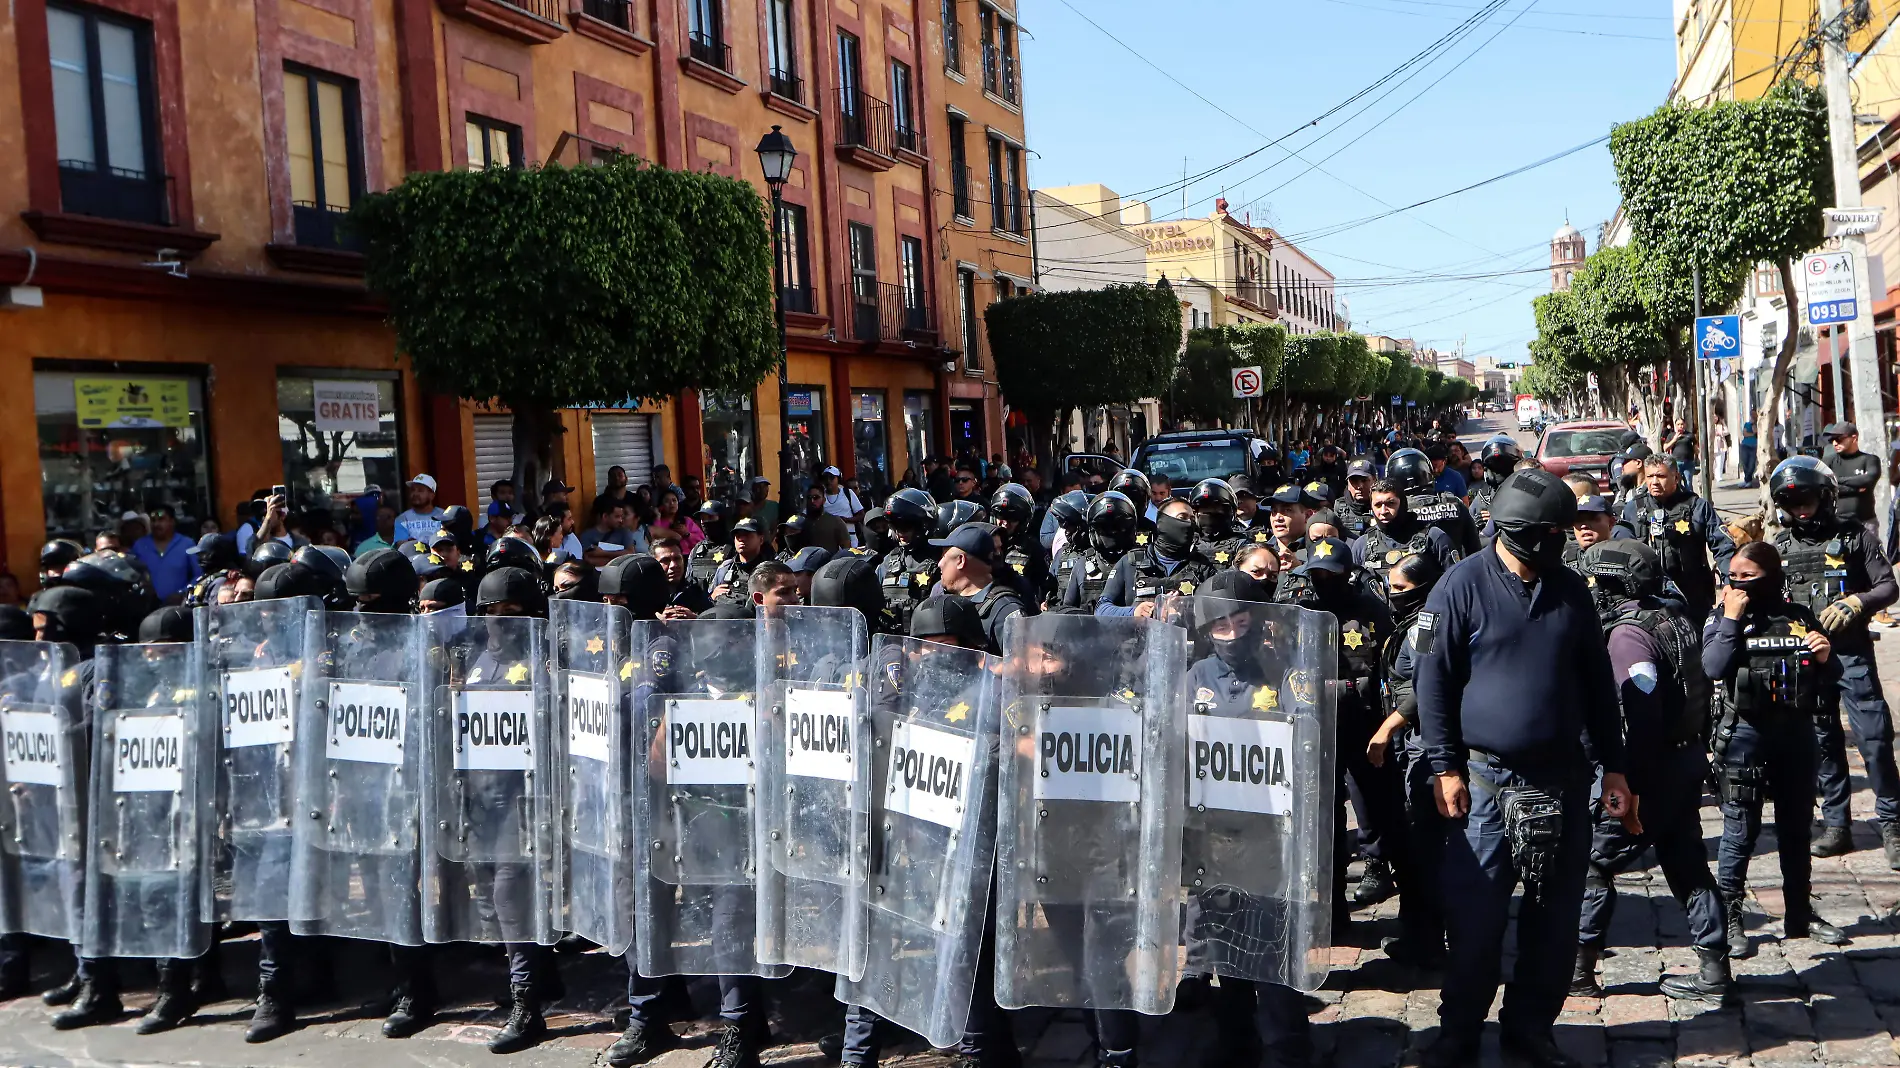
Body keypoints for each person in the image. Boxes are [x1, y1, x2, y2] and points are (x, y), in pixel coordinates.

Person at [1415, 468, 1634, 1068]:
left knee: (1555, 919)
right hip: (1485, 783)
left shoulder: (1571, 590)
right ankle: (1459, 1032)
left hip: (1564, 779)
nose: (1564, 541)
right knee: (1478, 917)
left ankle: (1531, 1029)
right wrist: (1445, 768)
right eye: (1555, 532)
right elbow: (1432, 684)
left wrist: (1614, 768)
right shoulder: (1458, 588)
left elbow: (1597, 685)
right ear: (1523, 533)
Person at [1570, 541, 1728, 1003]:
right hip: (1684, 761)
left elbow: (1641, 714)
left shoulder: (1627, 635)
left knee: (1595, 864)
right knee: (1688, 866)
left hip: (1652, 768)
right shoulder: (1673, 615)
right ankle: (1715, 971)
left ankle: (1578, 972)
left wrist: (1629, 784)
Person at [1705, 541, 1850, 958]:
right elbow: (1713, 666)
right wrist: (1732, 618)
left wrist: (1826, 657)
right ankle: (1730, 918)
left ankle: (1799, 913)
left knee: (1795, 828)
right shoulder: (1723, 617)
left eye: (1748, 576)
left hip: (1795, 735)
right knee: (1740, 831)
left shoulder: (1799, 617)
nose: (1738, 582)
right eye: (1733, 575)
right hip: (1746, 737)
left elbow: (1832, 675)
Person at [1767, 456, 1900, 864]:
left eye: (1807, 499)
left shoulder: (1855, 536)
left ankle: (1893, 824)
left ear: (1825, 497)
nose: (1801, 509)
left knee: (1874, 739)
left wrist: (1857, 602)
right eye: (1791, 503)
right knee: (1823, 743)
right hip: (1805, 659)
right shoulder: (1779, 546)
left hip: (1851, 654)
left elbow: (1887, 586)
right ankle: (1837, 824)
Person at [1282, 536, 1409, 921]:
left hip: (1366, 726)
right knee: (1323, 817)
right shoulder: (1299, 610)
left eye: (1330, 574)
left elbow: (1389, 661)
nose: (1322, 580)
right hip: (1315, 727)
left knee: (1381, 809)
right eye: (1315, 574)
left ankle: (1395, 886)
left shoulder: (1371, 608)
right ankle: (1331, 907)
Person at [1620, 456, 1735, 622]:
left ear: (1676, 477)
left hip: (1693, 594)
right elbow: (1621, 549)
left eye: (1661, 476)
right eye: (1650, 476)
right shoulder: (1633, 509)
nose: (1654, 482)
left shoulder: (1697, 506)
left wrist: (1729, 582)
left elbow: (1723, 547)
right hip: (1649, 596)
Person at [1095, 496, 1213, 618]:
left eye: (1192, 519)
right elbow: (1101, 609)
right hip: (1140, 635)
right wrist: (1134, 613)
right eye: (1182, 518)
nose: (1189, 523)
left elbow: (1220, 607)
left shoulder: (1202, 566)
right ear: (1163, 523)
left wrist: (1188, 610)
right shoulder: (1131, 562)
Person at [928, 522, 1027, 654]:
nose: (939, 564)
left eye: (944, 556)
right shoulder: (945, 602)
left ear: (960, 561)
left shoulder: (1006, 610)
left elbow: (1021, 664)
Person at [1385, 448, 1480, 558]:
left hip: (1412, 572)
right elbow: (1475, 549)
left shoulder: (1393, 511)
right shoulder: (1454, 503)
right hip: (1454, 572)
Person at [1351, 479, 1457, 577]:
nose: (1383, 511)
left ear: (1402, 503)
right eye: (1378, 505)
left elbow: (1454, 582)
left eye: (1390, 503)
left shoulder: (1433, 538)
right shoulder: (1362, 545)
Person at [1061, 490, 1139, 611]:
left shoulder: (1142, 563)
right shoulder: (1082, 565)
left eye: (1118, 527)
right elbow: (1067, 610)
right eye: (1104, 528)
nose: (1112, 534)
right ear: (1092, 531)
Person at [1822, 422, 1883, 543]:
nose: (1835, 443)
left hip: (1866, 522)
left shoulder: (1870, 460)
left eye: (1839, 439)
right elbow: (1823, 486)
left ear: (1854, 438)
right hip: (1836, 523)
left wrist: (1836, 480)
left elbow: (1868, 480)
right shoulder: (1828, 462)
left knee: (1872, 559)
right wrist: (1855, 489)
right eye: (1832, 439)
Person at [130, 504, 200, 604]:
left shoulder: (187, 544)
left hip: (179, 607)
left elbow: (199, 576)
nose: (156, 524)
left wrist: (182, 593)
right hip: (147, 607)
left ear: (172, 522)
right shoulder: (140, 545)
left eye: (161, 519)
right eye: (153, 520)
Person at [1465, 436, 1523, 525]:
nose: (1499, 474)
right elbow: (1469, 523)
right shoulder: (1484, 497)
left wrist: (1496, 518)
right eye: (1494, 469)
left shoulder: (1524, 491)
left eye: (1504, 467)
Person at [579, 500, 637, 568]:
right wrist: (619, 558)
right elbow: (588, 559)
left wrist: (602, 553)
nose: (620, 520)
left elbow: (630, 553)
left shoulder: (624, 532)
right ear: (605, 516)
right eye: (617, 517)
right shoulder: (587, 535)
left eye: (621, 517)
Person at [394, 475, 447, 546]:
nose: (415, 494)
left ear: (432, 495)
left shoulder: (444, 516)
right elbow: (402, 546)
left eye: (420, 490)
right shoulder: (402, 519)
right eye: (413, 490)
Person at [798, 486, 853, 554]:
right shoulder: (801, 522)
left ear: (824, 500)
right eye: (809, 498)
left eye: (816, 498)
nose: (812, 501)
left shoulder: (835, 521)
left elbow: (847, 550)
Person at [818, 466, 866, 543]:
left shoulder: (848, 493)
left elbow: (861, 514)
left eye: (831, 478)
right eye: (825, 478)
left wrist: (846, 520)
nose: (828, 481)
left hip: (849, 537)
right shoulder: (819, 495)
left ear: (838, 479)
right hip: (828, 539)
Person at [648, 489, 704, 554]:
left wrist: (687, 534)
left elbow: (701, 540)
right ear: (661, 505)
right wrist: (657, 517)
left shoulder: (686, 520)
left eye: (674, 500)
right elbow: (654, 541)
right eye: (667, 501)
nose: (671, 503)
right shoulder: (657, 522)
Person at [1333, 459, 1376, 541]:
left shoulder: (1383, 505)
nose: (1360, 486)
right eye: (1354, 481)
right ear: (1348, 483)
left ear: (1374, 480)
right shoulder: (1340, 506)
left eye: (1364, 480)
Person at [1664, 418, 1698, 485]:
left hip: (1688, 462)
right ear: (1675, 425)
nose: (1680, 426)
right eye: (1678, 424)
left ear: (1685, 425)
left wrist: (1699, 457)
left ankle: (1688, 495)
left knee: (1688, 483)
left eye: (1682, 424)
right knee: (1677, 483)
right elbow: (1665, 448)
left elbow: (1696, 448)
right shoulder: (1671, 435)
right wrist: (1674, 439)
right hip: (1677, 462)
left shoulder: (1690, 435)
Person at [1739, 421, 1759, 487]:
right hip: (1745, 445)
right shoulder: (1747, 424)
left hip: (1754, 446)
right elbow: (1745, 434)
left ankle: (1748, 480)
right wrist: (1753, 434)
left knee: (1751, 464)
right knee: (1745, 463)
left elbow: (1757, 434)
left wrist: (1753, 430)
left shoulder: (1759, 424)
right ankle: (1747, 480)